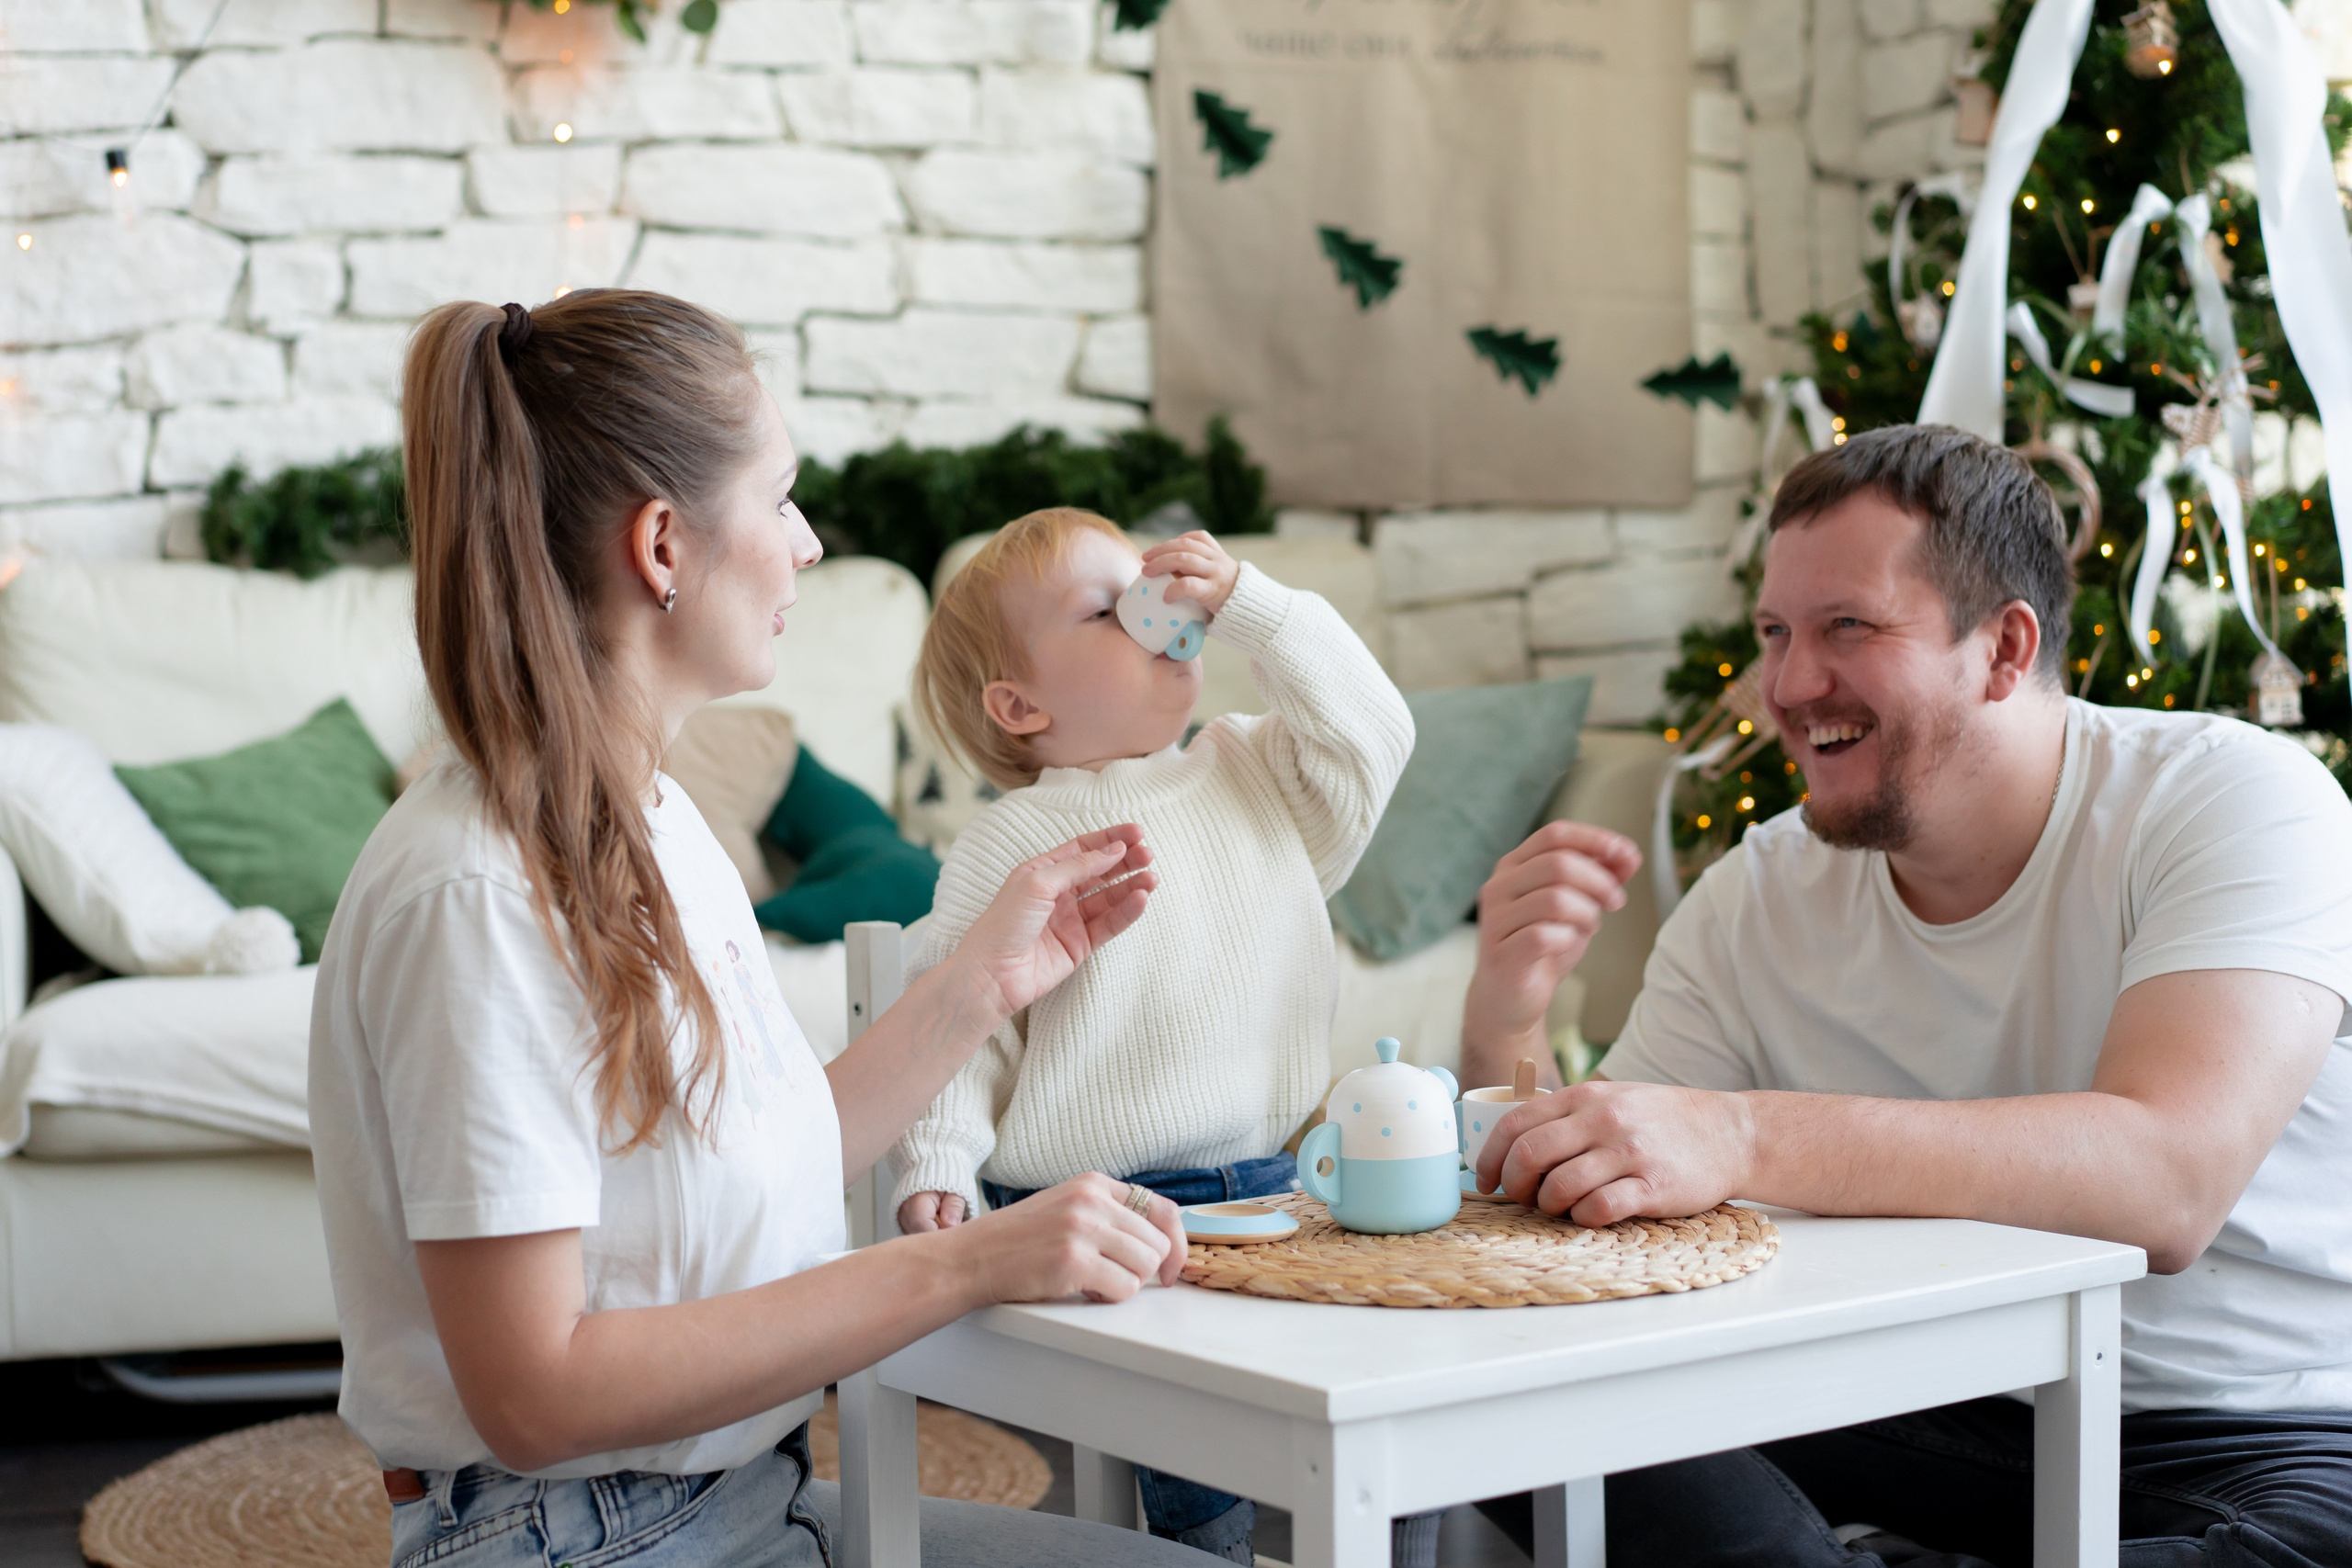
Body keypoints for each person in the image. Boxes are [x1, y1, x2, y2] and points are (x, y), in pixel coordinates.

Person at [308, 290, 1233, 1568]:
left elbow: (769, 1158)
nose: (805, 545)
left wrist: (979, 984)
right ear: (664, 547)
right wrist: (968, 1265)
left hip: (742, 1500)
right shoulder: (475, 894)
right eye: (782, 495)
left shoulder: (656, 819)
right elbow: (537, 1392)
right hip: (576, 1538)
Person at [1459, 423, 2352, 1565]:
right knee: (1516, 1410)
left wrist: (1741, 1133)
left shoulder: (2235, 801)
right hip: (1914, 1397)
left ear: (2002, 648)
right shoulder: (1760, 891)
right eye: (1775, 633)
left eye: (1848, 629)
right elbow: (1588, 1221)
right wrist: (1508, 1018)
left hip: (2246, 1430)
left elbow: (2165, 1182)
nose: (1787, 686)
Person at [889, 506, 1414, 1562]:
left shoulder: (1256, 770)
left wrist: (1256, 611)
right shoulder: (1015, 837)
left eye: (1153, 584)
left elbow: (1378, 732)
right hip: (1102, 1203)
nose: (1156, 610)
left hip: (1278, 1180)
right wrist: (936, 1160)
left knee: (1393, 1389)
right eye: (1107, 605)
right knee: (1207, 1448)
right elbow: (963, 1018)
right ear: (1020, 703)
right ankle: (1207, 1552)